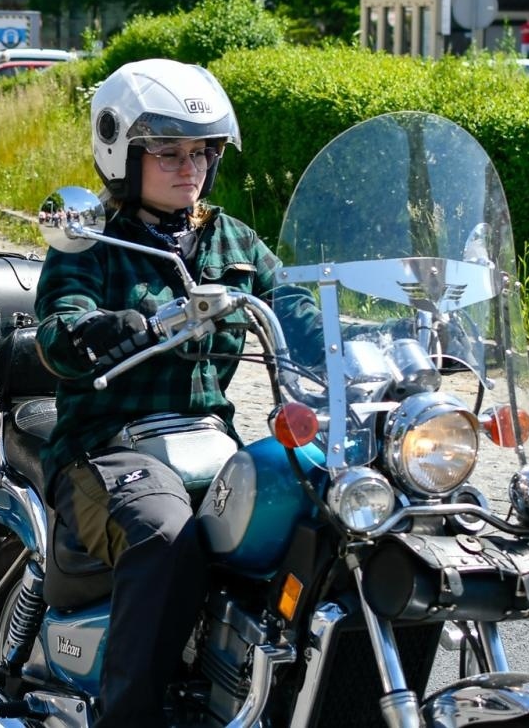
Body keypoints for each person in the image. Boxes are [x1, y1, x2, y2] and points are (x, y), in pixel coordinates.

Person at [33, 57, 320, 728]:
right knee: (164, 533)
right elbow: (57, 327)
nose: (188, 166)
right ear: (122, 153)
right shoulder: (93, 244)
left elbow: (296, 305)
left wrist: (370, 336)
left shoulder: (232, 241)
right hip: (104, 449)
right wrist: (101, 328)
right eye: (167, 152)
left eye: (201, 151)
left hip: (207, 443)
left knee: (316, 510)